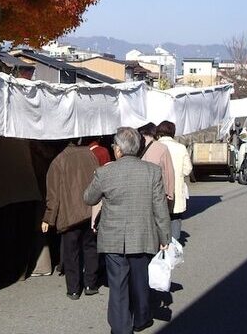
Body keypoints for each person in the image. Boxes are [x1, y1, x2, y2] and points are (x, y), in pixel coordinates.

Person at [84, 127, 170, 334]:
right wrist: (164, 235)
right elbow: (160, 206)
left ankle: (121, 328)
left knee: (118, 285)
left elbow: (88, 197)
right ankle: (141, 318)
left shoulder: (105, 172)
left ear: (119, 150)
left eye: (114, 146)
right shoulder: (152, 171)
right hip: (143, 235)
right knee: (140, 281)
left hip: (113, 237)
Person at [0, 134, 43, 283]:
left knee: (8, 235)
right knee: (24, 234)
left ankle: (9, 273)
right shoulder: (19, 128)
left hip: (6, 191)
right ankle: (22, 270)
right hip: (28, 190)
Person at [41, 140, 100, 299]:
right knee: (90, 248)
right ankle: (91, 284)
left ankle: (74, 289)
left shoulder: (58, 161)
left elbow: (53, 196)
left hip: (69, 214)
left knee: (71, 252)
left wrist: (48, 218)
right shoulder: (89, 154)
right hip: (90, 210)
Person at [157, 121, 192, 241]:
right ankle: (174, 243)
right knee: (175, 217)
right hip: (176, 188)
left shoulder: (154, 147)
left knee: (159, 216)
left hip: (158, 189)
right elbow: (188, 169)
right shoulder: (181, 147)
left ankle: (161, 243)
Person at [138, 123, 175, 203]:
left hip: (138, 190)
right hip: (157, 192)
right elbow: (169, 172)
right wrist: (170, 194)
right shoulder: (162, 148)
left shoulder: (134, 146)